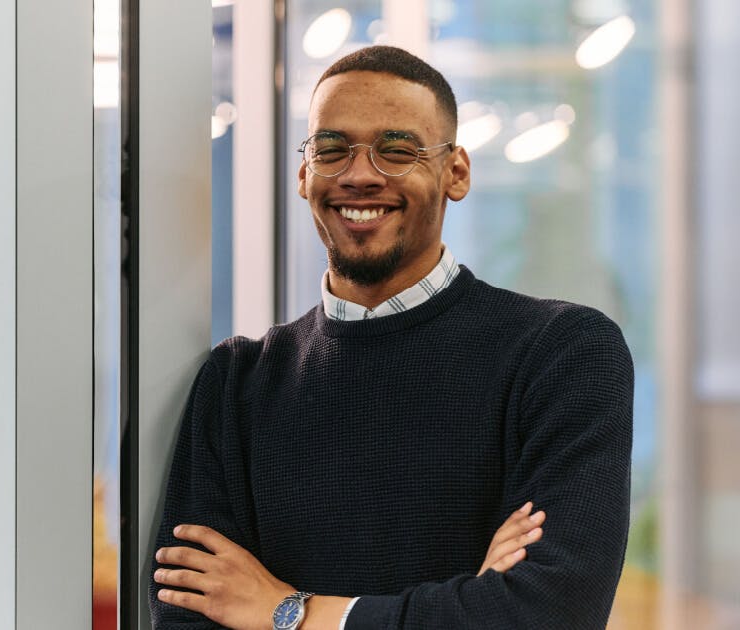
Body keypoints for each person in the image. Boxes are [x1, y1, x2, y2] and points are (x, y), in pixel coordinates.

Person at [149, 45, 633, 630]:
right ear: (304, 175)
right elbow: (191, 617)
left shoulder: (563, 354)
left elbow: (547, 614)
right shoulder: (236, 384)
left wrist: (288, 613)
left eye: (396, 150)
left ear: (456, 172)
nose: (359, 174)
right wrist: (469, 604)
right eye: (332, 149)